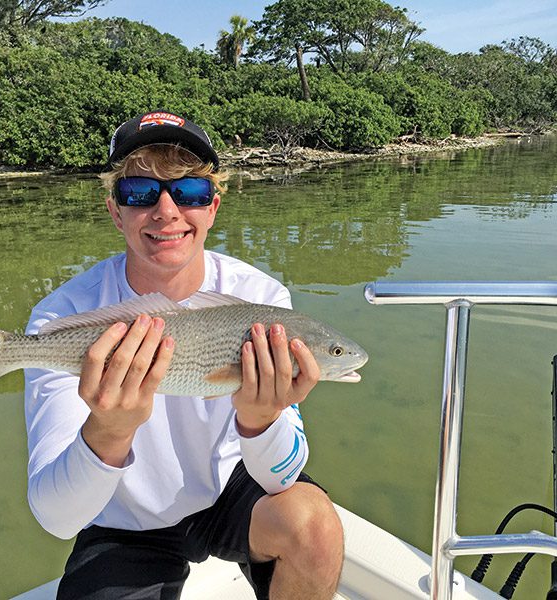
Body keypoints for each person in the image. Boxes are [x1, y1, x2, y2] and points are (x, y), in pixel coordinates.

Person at [23, 110, 344, 599]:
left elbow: (282, 474)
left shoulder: (261, 296)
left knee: (314, 527)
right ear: (115, 210)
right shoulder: (60, 318)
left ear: (213, 207)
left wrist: (260, 419)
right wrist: (108, 432)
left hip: (227, 491)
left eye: (189, 192)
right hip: (121, 514)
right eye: (140, 193)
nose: (167, 211)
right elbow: (58, 518)